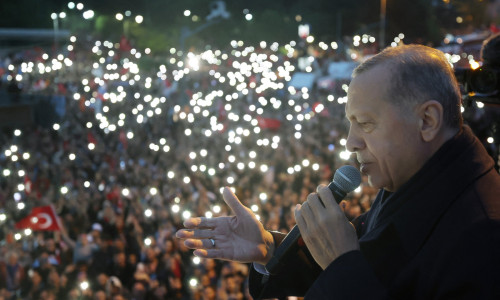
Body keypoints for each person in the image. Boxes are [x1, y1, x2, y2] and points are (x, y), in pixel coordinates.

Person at [177, 44, 500, 299]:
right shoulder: (412, 177)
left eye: (366, 123)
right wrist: (270, 249)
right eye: (350, 123)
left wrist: (342, 265)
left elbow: (356, 270)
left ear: (427, 120)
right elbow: (373, 267)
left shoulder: (484, 237)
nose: (351, 141)